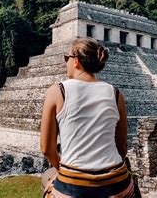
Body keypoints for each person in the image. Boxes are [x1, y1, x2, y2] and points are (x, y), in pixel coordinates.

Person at [40, 38, 135, 197]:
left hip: (75, 186)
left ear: (76, 61)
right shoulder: (116, 94)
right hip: (117, 183)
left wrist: (61, 169)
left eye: (66, 58)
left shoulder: (57, 91)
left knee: (46, 177)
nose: (66, 63)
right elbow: (122, 148)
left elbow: (46, 149)